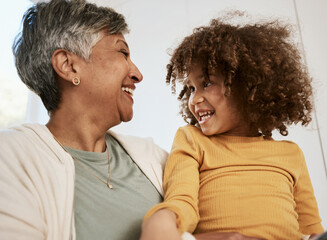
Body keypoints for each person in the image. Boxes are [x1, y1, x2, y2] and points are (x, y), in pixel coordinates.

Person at [0, 1, 264, 240]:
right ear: (69, 66)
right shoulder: (12, 156)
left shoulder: (156, 159)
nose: (137, 74)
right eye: (122, 53)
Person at [141, 15, 325, 240]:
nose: (194, 99)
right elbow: (182, 204)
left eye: (206, 83)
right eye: (190, 89)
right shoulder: (192, 139)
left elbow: (311, 230)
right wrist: (162, 223)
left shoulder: (291, 154)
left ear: (247, 87)